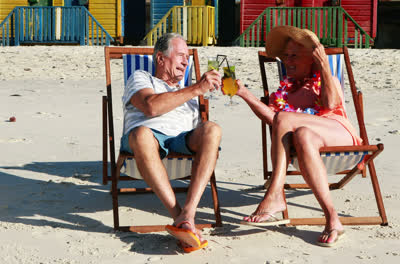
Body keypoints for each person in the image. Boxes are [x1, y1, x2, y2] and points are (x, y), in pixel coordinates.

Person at [235, 26, 362, 247]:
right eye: (285, 56)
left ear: (311, 59)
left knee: (285, 118)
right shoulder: (285, 92)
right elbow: (275, 121)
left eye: (294, 56)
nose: (287, 61)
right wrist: (244, 93)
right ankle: (332, 217)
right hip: (310, 146)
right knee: (301, 133)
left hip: (340, 136)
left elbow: (331, 104)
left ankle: (275, 193)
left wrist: (323, 65)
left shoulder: (326, 78)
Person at [120, 33, 222, 251]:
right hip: (146, 140)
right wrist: (196, 88)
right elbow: (151, 107)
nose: (186, 62)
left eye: (187, 57)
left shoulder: (187, 91)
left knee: (212, 129)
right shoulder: (141, 78)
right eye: (180, 55)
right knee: (141, 134)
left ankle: (188, 213)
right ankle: (180, 218)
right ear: (160, 59)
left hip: (182, 141)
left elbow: (200, 131)